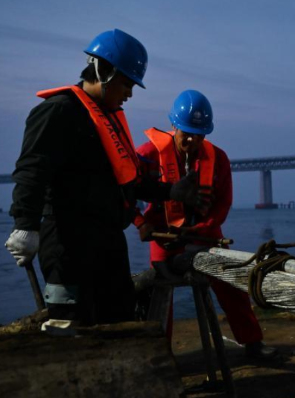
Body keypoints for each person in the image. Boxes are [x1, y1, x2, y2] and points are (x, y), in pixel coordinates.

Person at [4, 29, 204, 332]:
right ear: (104, 71)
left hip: (107, 242)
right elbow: (33, 170)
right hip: (67, 244)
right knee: (68, 325)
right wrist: (25, 225)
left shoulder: (109, 119)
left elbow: (129, 179)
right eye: (126, 83)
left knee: (118, 320)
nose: (130, 93)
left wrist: (171, 190)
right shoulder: (58, 112)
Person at [135, 89, 278, 359]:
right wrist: (140, 222)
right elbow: (124, 190)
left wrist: (197, 230)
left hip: (206, 237)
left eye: (199, 135)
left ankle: (253, 343)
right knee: (159, 295)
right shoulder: (146, 155)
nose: (191, 140)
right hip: (163, 239)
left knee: (231, 282)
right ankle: (160, 355)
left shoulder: (219, 159)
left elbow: (223, 205)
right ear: (173, 126)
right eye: (186, 133)